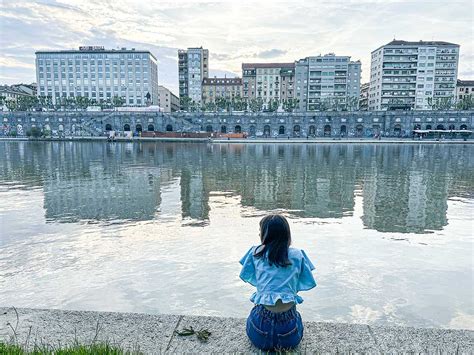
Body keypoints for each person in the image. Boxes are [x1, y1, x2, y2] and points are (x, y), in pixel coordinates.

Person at [239, 214, 316, 351]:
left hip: (260, 331)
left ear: (265, 234)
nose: (258, 233)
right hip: (289, 335)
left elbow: (256, 280)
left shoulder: (255, 253)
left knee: (255, 311)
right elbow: (300, 282)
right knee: (296, 316)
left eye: (260, 230)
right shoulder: (298, 255)